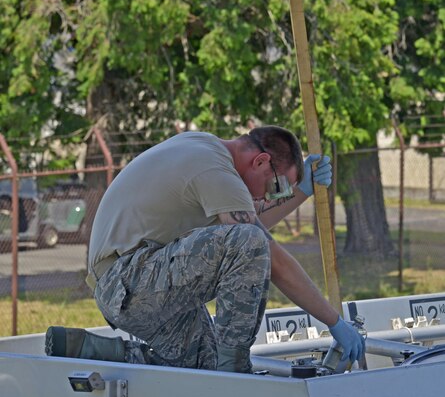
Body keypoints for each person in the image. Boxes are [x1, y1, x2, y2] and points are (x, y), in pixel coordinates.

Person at [45, 126, 365, 373]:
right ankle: (235, 368)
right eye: (277, 186)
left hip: (132, 286)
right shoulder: (214, 172)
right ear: (261, 161)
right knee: (248, 245)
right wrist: (333, 321)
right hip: (128, 281)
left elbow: (250, 226)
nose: (274, 196)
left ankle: (97, 350)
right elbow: (265, 253)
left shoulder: (204, 149)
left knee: (202, 372)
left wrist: (301, 192)